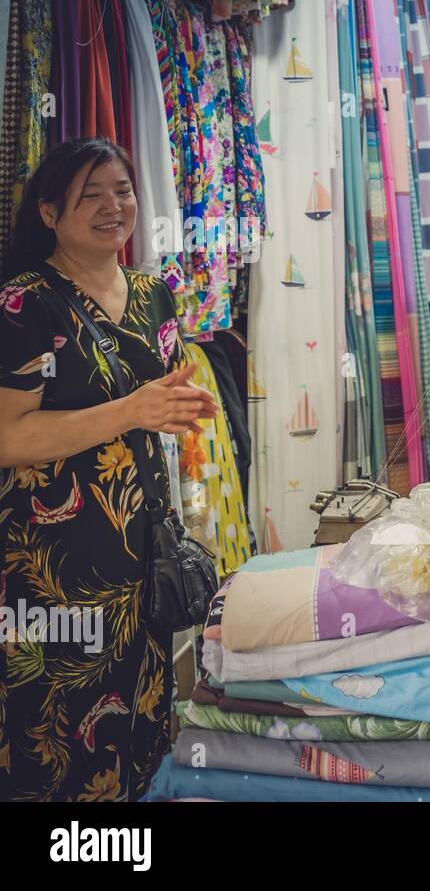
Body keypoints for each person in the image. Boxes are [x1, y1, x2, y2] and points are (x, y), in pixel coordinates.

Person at [0, 138, 218, 801]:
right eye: (89, 193)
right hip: (55, 574)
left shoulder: (156, 296)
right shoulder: (26, 305)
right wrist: (132, 410)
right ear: (48, 212)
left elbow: (158, 420)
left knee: (143, 734)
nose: (111, 205)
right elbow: (8, 437)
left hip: (141, 562)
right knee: (54, 742)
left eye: (121, 190)